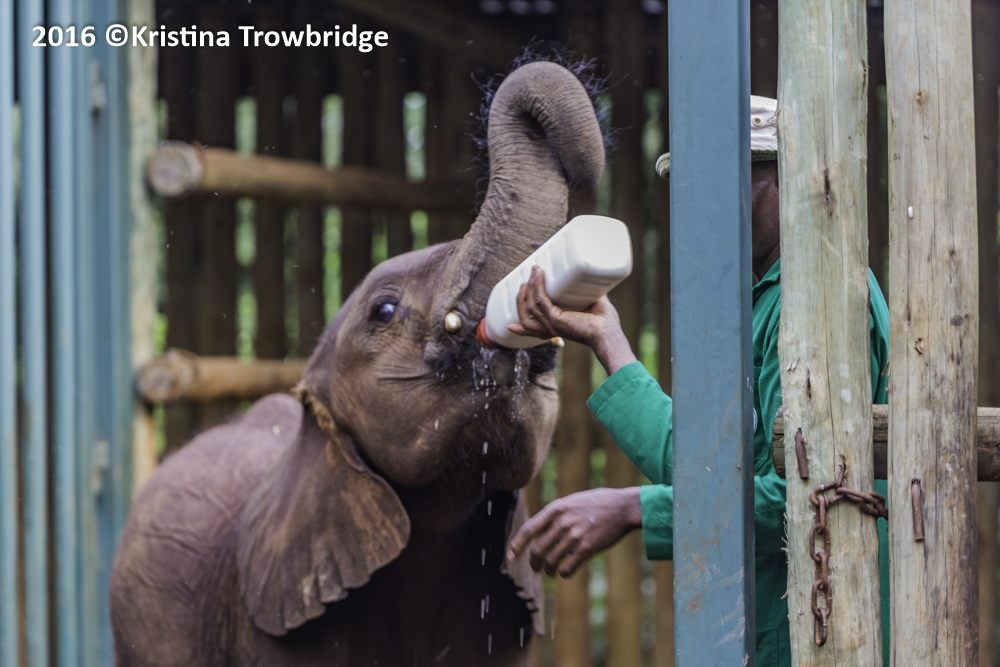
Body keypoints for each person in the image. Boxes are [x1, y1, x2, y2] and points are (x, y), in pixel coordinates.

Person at [505, 96, 890, 666]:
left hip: (824, 631)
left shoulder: (819, 297)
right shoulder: (758, 302)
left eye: (732, 182)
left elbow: (809, 498)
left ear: (791, 179)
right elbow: (707, 472)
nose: (710, 205)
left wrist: (633, 509)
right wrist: (609, 342)